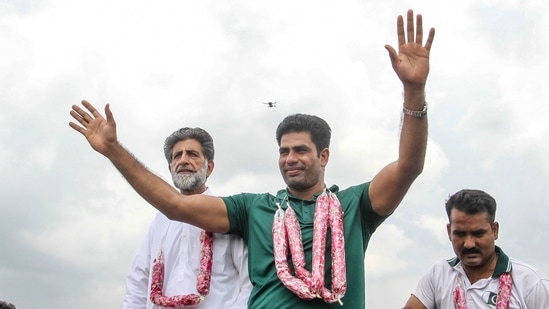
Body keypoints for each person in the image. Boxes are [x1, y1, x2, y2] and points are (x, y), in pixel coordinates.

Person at [69, 9, 434, 309]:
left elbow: (408, 166)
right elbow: (174, 205)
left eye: (301, 150)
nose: (290, 158)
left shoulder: (354, 206)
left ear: (324, 155)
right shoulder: (254, 209)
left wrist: (413, 91)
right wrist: (114, 151)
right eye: (284, 151)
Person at [123, 127, 252, 308]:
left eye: (192, 154)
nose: (183, 160)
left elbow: (249, 283)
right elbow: (138, 280)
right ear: (170, 168)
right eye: (177, 156)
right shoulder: (160, 221)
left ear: (210, 167)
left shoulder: (226, 215)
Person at [403, 189, 549, 309]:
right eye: (460, 234)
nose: (469, 244)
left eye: (478, 233)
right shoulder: (439, 274)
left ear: (495, 230)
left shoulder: (532, 283)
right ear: (449, 232)